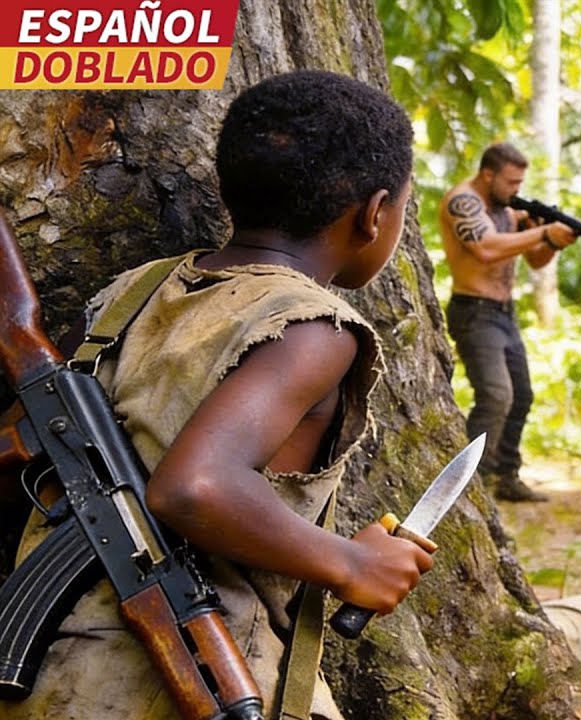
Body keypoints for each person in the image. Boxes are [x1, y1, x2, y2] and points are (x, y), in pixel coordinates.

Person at [1, 71, 435, 719]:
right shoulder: (315, 329)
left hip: (46, 674)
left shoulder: (133, 293)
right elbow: (193, 488)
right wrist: (350, 563)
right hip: (172, 683)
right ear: (375, 214)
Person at [440, 142, 576, 502]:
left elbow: (536, 261)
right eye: (512, 182)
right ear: (488, 175)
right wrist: (543, 232)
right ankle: (471, 485)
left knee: (521, 396)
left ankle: (506, 476)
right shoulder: (464, 201)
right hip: (474, 310)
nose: (517, 189)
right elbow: (485, 248)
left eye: (520, 182)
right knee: (496, 396)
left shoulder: (508, 210)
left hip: (504, 313)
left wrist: (553, 241)